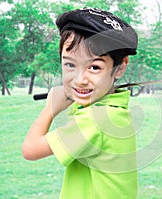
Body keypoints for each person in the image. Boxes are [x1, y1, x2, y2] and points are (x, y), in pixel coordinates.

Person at [22, 8, 138, 199]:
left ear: (120, 67)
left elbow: (30, 150)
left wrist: (51, 108)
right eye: (70, 65)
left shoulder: (97, 120)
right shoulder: (114, 110)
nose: (80, 79)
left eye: (94, 67)